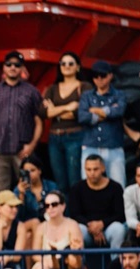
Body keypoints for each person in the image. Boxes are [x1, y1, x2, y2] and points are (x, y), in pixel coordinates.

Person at [0, 50, 43, 192]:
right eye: (9, 64)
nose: (13, 67)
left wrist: (31, 146)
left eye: (17, 65)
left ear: (22, 68)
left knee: (28, 189)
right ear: (4, 67)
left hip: (23, 152)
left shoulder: (31, 91)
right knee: (1, 193)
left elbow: (39, 121)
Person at [40, 52, 92, 194]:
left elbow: (80, 113)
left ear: (78, 67)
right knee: (60, 182)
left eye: (70, 63)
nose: (66, 66)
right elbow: (45, 113)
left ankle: (75, 215)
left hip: (75, 136)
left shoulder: (85, 87)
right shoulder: (52, 88)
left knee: (75, 181)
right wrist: (68, 107)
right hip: (54, 138)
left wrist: (55, 110)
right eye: (63, 63)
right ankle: (63, 214)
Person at [78, 60, 127, 187]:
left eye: (103, 75)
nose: (99, 79)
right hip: (90, 146)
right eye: (95, 76)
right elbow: (82, 117)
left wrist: (93, 111)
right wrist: (108, 111)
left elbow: (119, 111)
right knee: (88, 185)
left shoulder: (119, 94)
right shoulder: (86, 95)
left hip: (113, 146)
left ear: (110, 75)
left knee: (118, 185)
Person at [69, 154, 126, 254]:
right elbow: (75, 214)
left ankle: (116, 265)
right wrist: (91, 227)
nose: (92, 173)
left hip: (108, 227)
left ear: (103, 169)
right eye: (88, 169)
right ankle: (80, 267)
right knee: (78, 229)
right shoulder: (77, 188)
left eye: (95, 169)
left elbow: (120, 215)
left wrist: (102, 224)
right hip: (87, 228)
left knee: (119, 229)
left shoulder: (115, 187)